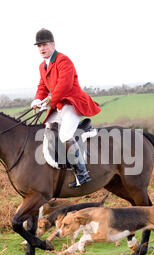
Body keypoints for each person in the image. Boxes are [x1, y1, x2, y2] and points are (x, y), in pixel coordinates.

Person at [31, 28, 101, 188]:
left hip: (72, 103)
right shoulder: (43, 66)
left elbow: (64, 86)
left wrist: (48, 102)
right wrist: (37, 99)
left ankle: (82, 174)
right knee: (48, 129)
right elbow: (42, 86)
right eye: (39, 46)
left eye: (45, 44)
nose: (42, 48)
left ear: (53, 44)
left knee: (64, 136)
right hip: (59, 105)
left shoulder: (64, 61)